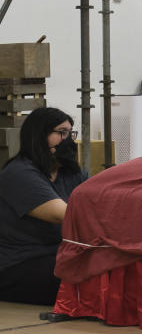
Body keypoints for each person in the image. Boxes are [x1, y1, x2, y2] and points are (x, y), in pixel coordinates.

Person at [0, 108, 87, 305]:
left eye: (71, 133)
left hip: (58, 254)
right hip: (19, 264)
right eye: (61, 133)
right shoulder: (19, 173)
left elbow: (96, 200)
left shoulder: (70, 173)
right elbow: (62, 214)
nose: (69, 140)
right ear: (39, 135)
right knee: (87, 275)